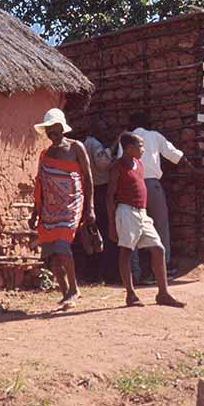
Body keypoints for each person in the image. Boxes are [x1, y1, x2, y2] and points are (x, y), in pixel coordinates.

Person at [108, 132, 185, 308]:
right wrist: (112, 224)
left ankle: (163, 293)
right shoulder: (117, 167)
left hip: (142, 214)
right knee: (126, 251)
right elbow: (110, 197)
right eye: (140, 146)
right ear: (129, 148)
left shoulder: (139, 164)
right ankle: (130, 294)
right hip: (126, 212)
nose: (143, 149)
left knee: (158, 248)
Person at [29, 108, 94, 309]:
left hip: (71, 204)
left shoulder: (76, 148)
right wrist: (35, 212)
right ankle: (65, 293)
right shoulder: (45, 155)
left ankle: (74, 290)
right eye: (49, 130)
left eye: (55, 129)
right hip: (49, 209)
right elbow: (41, 184)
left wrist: (90, 207)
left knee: (62, 246)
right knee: (52, 253)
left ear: (62, 128)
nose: (52, 133)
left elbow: (88, 178)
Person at [124, 114, 200, 282]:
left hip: (131, 186)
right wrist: (194, 171)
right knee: (160, 226)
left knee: (133, 228)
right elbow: (175, 155)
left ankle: (135, 273)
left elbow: (120, 163)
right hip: (152, 186)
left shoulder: (127, 140)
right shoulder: (154, 136)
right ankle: (162, 267)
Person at [83, 119, 121, 283]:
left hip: (90, 191)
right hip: (100, 190)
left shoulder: (85, 144)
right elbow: (103, 164)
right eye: (103, 128)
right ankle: (107, 273)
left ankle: (94, 273)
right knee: (105, 231)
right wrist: (114, 145)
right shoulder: (94, 144)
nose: (105, 132)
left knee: (94, 232)